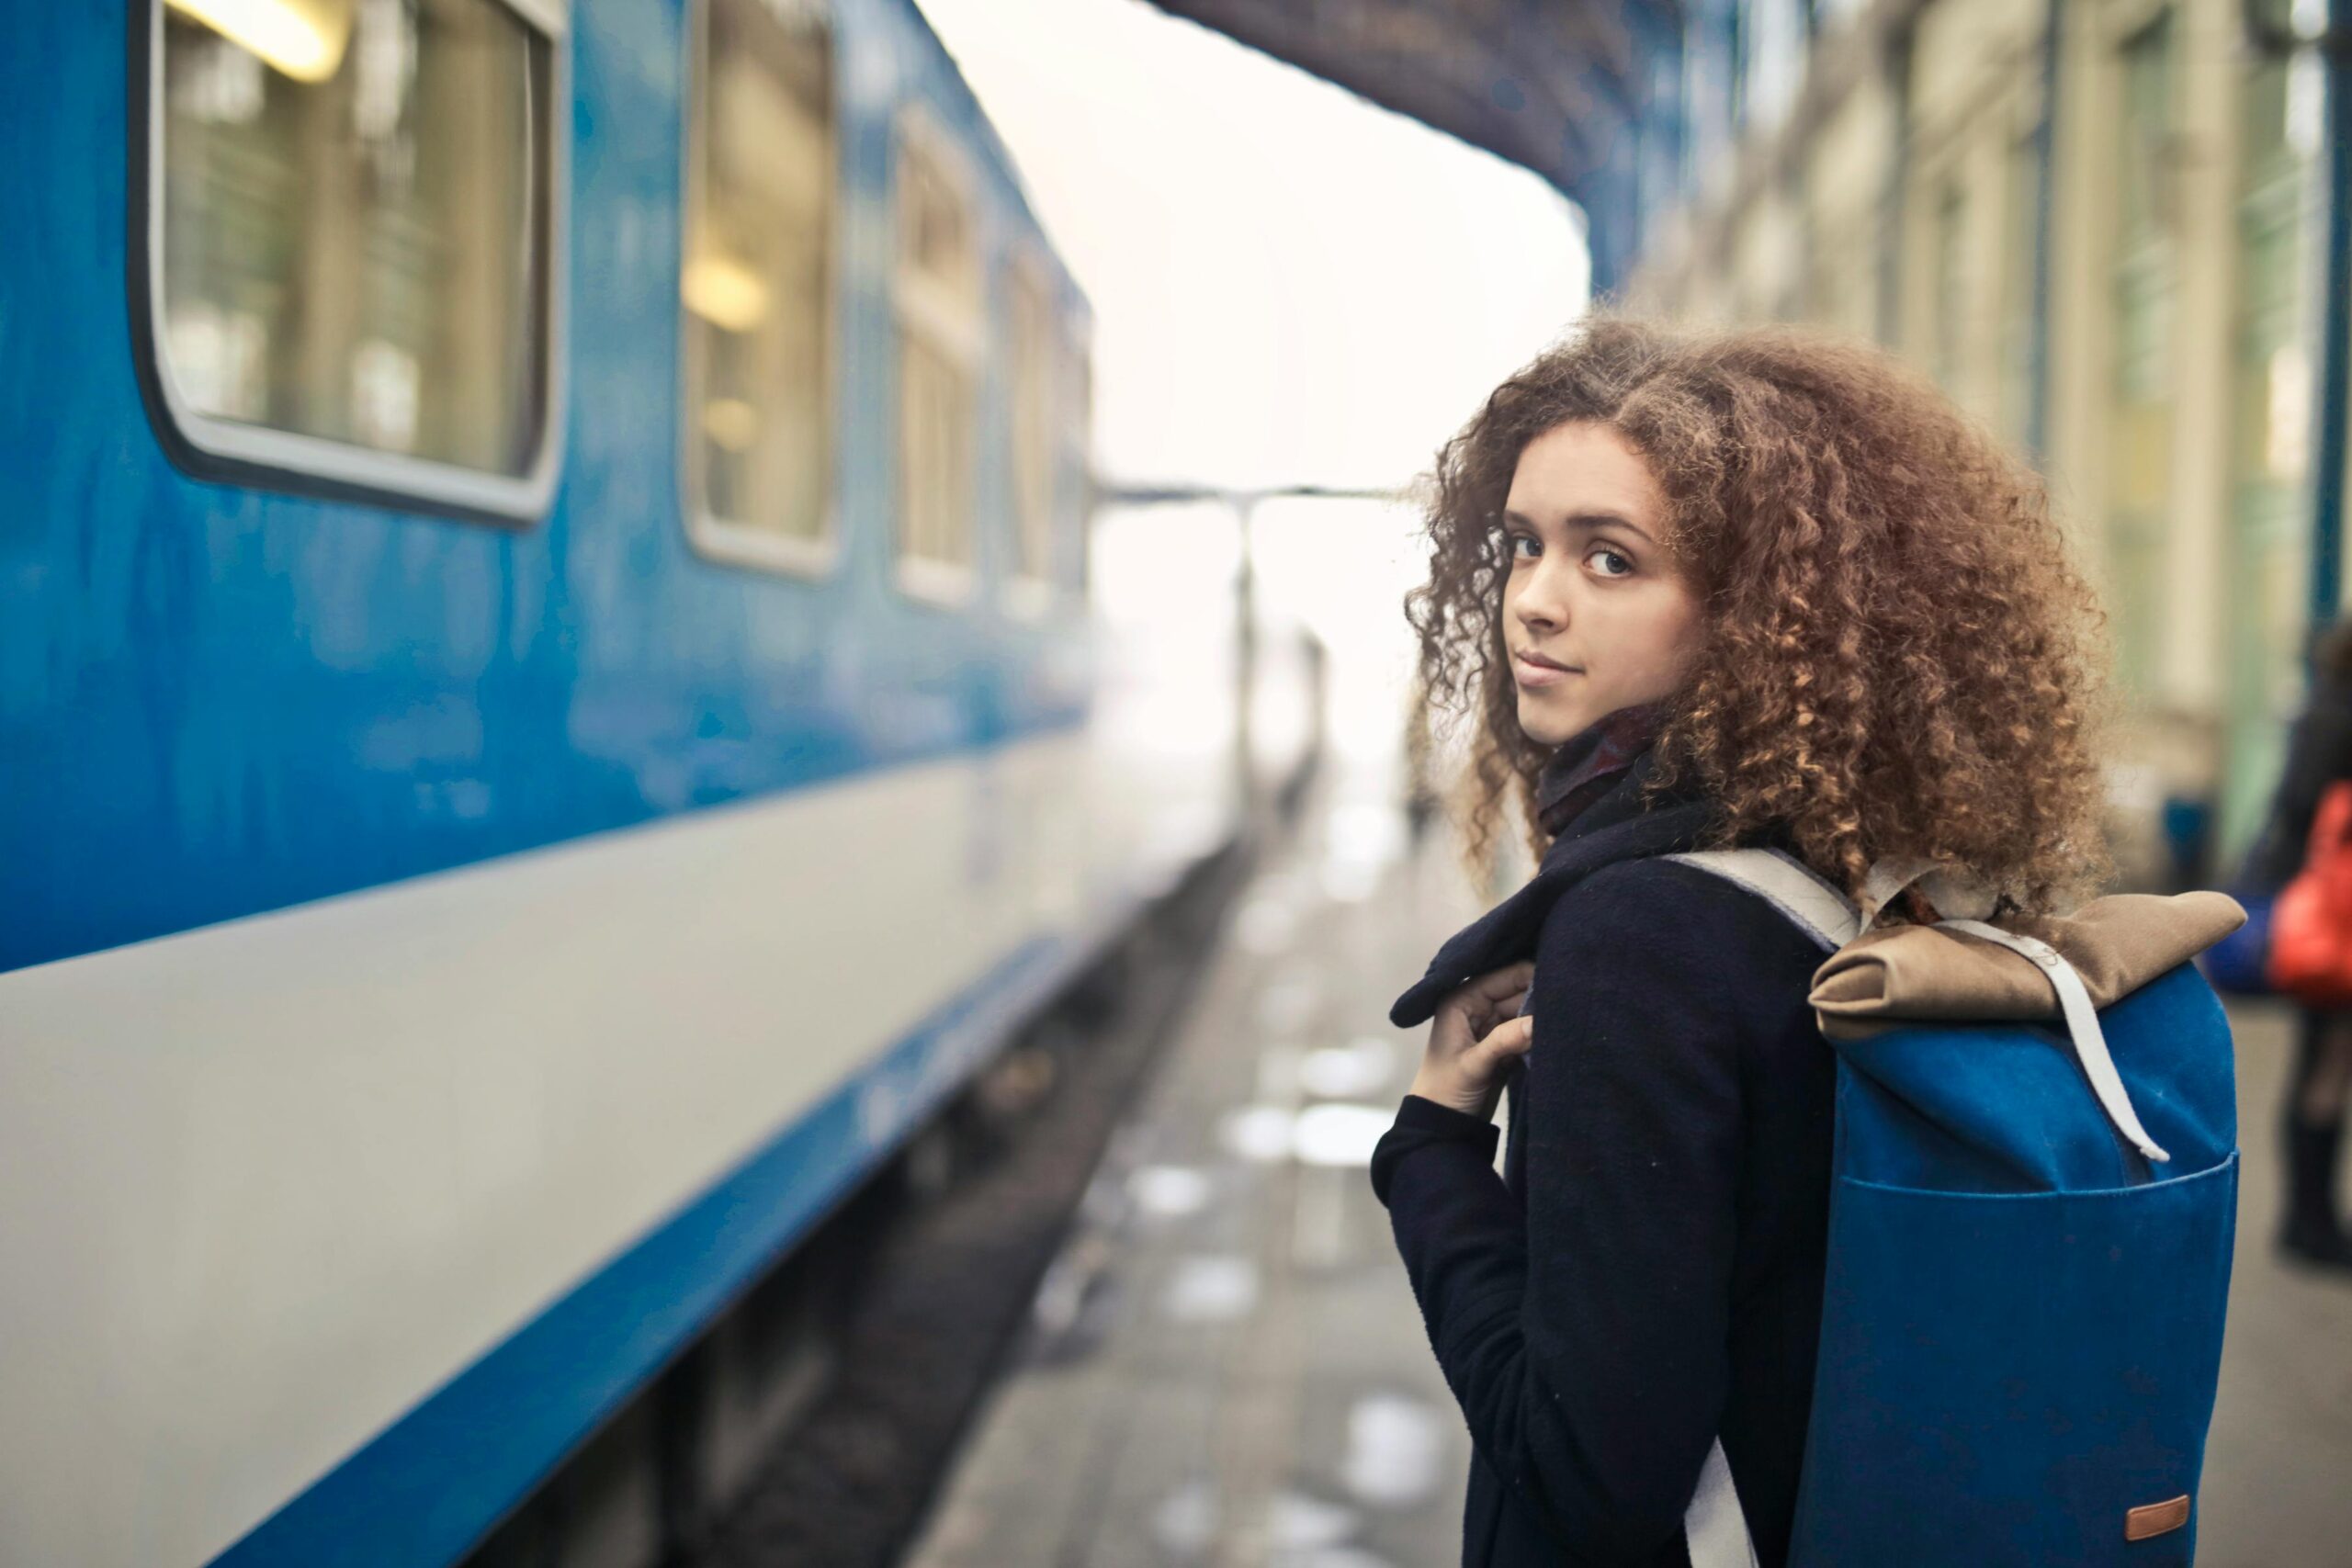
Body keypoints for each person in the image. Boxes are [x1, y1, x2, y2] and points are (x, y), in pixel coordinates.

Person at [1368, 314, 2110, 1567]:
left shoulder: (1638, 934)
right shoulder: (1818, 864)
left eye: (1612, 559)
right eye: (1525, 544)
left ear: (1749, 611)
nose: (1534, 602)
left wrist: (1433, 1150)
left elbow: (1591, 1481)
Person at [2243, 619, 2352, 1269]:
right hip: (2334, 919)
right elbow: (2305, 804)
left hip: (2326, 909)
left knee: (2323, 1061)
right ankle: (2309, 1220)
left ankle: (2309, 1216)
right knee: (2325, 1063)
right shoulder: (2336, 719)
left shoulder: (2321, 709)